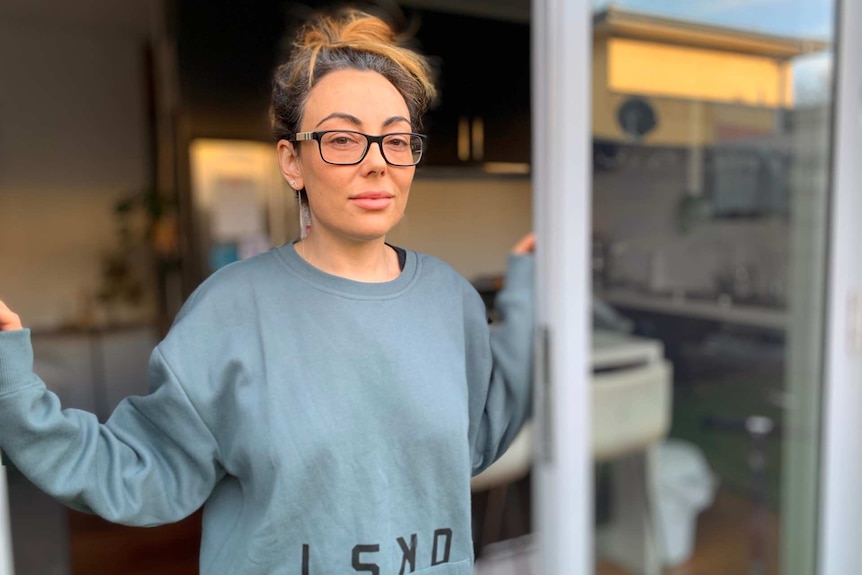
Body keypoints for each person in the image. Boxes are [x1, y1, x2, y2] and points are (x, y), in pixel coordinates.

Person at [0, 6, 534, 574]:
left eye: (397, 141)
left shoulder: (450, 301)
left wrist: (531, 294)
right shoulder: (230, 310)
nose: (378, 164)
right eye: (344, 139)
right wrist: (12, 389)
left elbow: (477, 436)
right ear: (292, 162)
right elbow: (141, 469)